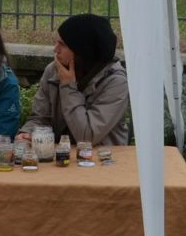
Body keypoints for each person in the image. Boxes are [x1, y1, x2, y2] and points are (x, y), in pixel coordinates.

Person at [17, 13, 129, 146]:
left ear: (83, 52)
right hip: (61, 156)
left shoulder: (116, 83)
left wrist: (68, 86)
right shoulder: (53, 71)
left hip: (102, 159)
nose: (55, 49)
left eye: (62, 44)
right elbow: (40, 118)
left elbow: (87, 137)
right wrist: (27, 133)